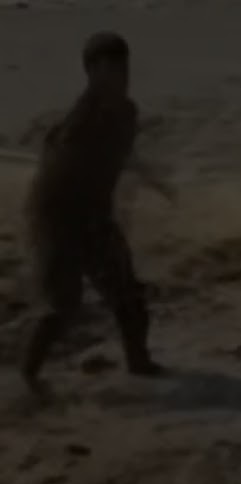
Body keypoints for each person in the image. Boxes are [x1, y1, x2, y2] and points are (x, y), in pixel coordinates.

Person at [19, 31, 175, 397]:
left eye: (122, 67)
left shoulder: (127, 112)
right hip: (57, 219)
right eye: (107, 69)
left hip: (95, 216)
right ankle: (27, 377)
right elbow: (57, 157)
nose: (118, 76)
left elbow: (122, 157)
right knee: (61, 308)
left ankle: (139, 361)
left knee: (130, 297)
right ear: (90, 73)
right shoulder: (82, 117)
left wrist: (155, 183)